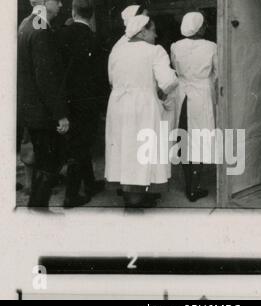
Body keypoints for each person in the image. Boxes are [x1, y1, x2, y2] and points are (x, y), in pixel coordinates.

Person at [105, 14, 178, 208]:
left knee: (125, 150)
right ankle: (137, 200)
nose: (155, 35)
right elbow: (168, 81)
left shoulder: (117, 51)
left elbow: (111, 79)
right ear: (143, 31)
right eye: (153, 31)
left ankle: (133, 196)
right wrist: (162, 91)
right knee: (143, 151)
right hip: (143, 106)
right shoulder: (155, 51)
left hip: (119, 105)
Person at [18, 0, 69, 209]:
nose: (60, 5)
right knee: (49, 163)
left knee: (43, 162)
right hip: (43, 112)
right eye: (57, 1)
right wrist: (60, 114)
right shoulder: (41, 30)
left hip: (31, 109)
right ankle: (38, 210)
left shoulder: (27, 24)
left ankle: (36, 207)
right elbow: (46, 78)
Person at [58, 0, 105, 208]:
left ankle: (90, 183)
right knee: (81, 145)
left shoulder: (60, 35)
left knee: (79, 144)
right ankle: (71, 195)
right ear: (92, 14)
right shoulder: (95, 40)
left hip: (66, 100)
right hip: (88, 102)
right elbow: (100, 77)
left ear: (73, 11)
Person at [171, 12, 218, 202]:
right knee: (199, 139)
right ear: (199, 27)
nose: (206, 27)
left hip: (181, 95)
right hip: (202, 95)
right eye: (204, 24)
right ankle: (194, 187)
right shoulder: (212, 47)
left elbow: (175, 68)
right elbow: (218, 72)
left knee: (183, 137)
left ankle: (189, 183)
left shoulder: (175, 46)